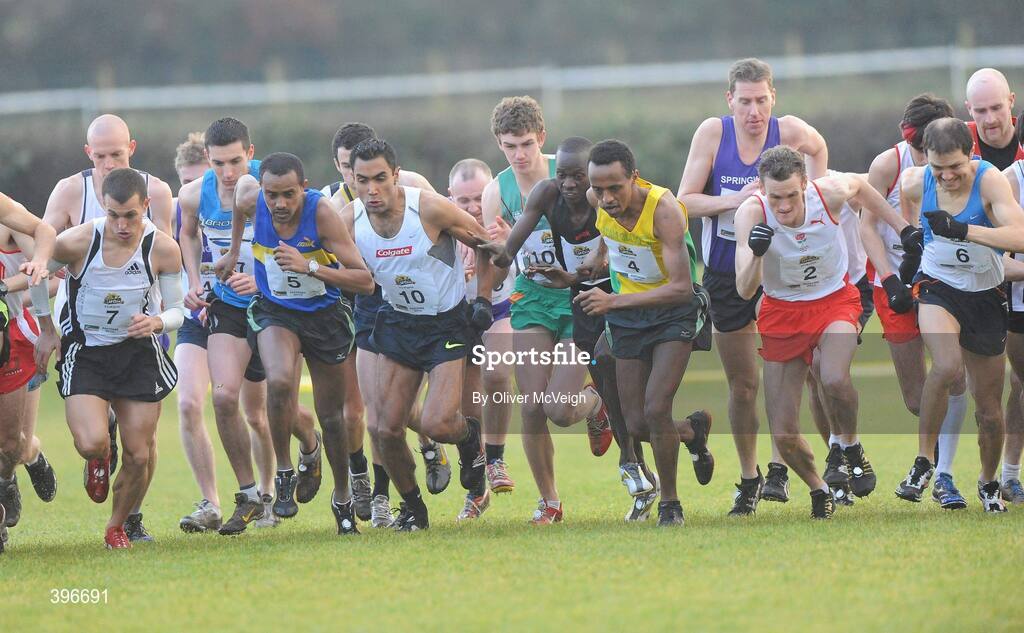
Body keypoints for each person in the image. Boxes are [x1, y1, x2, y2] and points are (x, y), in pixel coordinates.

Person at [676, 58, 828, 514]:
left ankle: (783, 468)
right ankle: (749, 476)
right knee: (743, 384)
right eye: (745, 101)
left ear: (773, 97)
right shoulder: (713, 133)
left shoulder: (791, 131)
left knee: (792, 377)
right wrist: (736, 200)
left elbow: (819, 152)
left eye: (761, 100)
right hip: (725, 273)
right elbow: (684, 200)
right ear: (730, 101)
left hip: (782, 272)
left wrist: (813, 202)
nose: (754, 111)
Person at [734, 146, 899, 519]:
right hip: (781, 313)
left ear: (805, 184)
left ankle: (850, 446)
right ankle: (819, 487)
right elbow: (745, 290)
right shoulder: (752, 213)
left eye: (792, 195)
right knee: (784, 435)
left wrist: (904, 227)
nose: (785, 206)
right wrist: (757, 253)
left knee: (834, 378)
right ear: (762, 189)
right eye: (776, 196)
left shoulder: (827, 193)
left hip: (834, 301)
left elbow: (860, 185)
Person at [346, 138, 494, 531]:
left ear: (396, 175)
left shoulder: (427, 207)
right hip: (398, 322)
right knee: (383, 428)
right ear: (353, 181)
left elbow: (484, 244)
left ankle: (469, 442)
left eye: (380, 178)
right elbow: (315, 248)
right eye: (363, 181)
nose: (372, 190)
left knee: (437, 424)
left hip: (446, 324)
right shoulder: (348, 219)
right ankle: (414, 508)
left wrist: (482, 298)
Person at [224, 153, 375, 535]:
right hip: (277, 311)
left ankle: (342, 499)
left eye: (289, 194)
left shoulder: (322, 214)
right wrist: (233, 249)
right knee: (278, 382)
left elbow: (364, 280)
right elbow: (241, 208)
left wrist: (309, 266)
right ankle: (285, 472)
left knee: (332, 417)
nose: (280, 204)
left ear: (303, 189)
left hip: (324, 317)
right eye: (272, 194)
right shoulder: (251, 198)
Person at [34, 168, 185, 548]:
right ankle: (99, 456)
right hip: (87, 352)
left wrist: (156, 321)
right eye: (114, 215)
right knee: (90, 442)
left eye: (130, 216)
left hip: (137, 354)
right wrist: (48, 330)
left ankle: (116, 526)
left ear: (145, 207)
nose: (121, 224)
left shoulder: (163, 248)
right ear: (104, 207)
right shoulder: (79, 241)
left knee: (139, 453)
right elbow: (38, 276)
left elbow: (180, 310)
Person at [482, 96, 608, 524]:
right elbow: (498, 269)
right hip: (531, 298)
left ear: (542, 139)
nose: (519, 155)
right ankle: (549, 502)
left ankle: (594, 405)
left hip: (578, 297)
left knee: (560, 407)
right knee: (533, 406)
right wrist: (492, 251)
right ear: (498, 144)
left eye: (526, 145)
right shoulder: (495, 191)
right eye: (509, 146)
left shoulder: (574, 172)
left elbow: (614, 220)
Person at [574, 140, 712, 526]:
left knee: (655, 409)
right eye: (598, 189)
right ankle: (692, 434)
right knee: (635, 424)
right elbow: (610, 231)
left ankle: (671, 504)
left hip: (673, 313)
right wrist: (596, 255)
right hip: (629, 317)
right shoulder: (597, 198)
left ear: (634, 178)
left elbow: (683, 287)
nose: (605, 197)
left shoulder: (664, 211)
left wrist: (612, 302)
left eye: (615, 188)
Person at [179, 118, 307, 535]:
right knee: (223, 398)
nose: (228, 173)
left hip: (273, 306)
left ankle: (311, 444)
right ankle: (250, 494)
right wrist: (197, 283)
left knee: (269, 409)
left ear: (251, 154)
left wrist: (262, 278)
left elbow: (304, 239)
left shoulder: (270, 190)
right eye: (219, 163)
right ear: (208, 160)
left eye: (236, 161)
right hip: (229, 306)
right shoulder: (194, 195)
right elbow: (187, 235)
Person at [325, 122, 452, 522]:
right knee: (368, 412)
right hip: (364, 308)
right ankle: (395, 481)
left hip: (410, 309)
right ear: (339, 166)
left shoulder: (412, 186)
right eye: (347, 169)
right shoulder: (334, 207)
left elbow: (442, 231)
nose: (356, 179)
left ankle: (409, 467)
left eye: (361, 170)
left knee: (391, 413)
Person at [896, 118, 1024, 513]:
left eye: (955, 167)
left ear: (971, 153)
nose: (947, 176)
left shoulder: (990, 181)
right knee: (947, 366)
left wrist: (964, 230)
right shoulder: (918, 180)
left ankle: (988, 482)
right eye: (939, 169)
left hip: (986, 294)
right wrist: (912, 233)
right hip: (939, 286)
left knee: (988, 407)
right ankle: (923, 463)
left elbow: (1019, 236)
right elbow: (904, 193)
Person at [860, 94, 972, 509]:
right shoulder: (888, 164)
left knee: (952, 374)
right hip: (895, 283)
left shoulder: (960, 164)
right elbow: (866, 225)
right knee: (915, 396)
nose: (923, 158)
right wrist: (889, 280)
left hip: (943, 281)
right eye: (915, 148)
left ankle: (941, 473)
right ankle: (936, 459)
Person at [963, 69, 1024, 504]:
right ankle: (944, 470)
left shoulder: (1020, 158)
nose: (989, 118)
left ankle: (1009, 473)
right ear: (969, 112)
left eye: (996, 108)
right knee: (973, 386)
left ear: (1012, 105)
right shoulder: (959, 150)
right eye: (980, 110)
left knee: (1019, 383)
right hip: (978, 281)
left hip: (1015, 280)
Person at [449, 158, 516, 519]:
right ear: (450, 199)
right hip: (458, 321)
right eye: (465, 202)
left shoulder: (505, 224)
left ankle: (496, 459)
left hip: (502, 310)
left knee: (498, 373)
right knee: (463, 409)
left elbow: (515, 267)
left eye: (480, 198)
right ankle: (477, 488)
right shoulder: (441, 228)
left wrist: (502, 250)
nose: (474, 208)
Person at [0, 192, 56, 555]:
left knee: (11, 443)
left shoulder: (4, 212)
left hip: (14, 338)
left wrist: (36, 262)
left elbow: (44, 232)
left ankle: (28, 455)